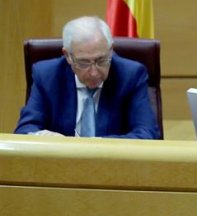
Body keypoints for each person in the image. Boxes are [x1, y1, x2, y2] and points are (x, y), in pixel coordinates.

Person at [15, 16, 160, 139]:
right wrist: (44, 138)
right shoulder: (47, 75)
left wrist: (89, 148)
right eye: (84, 63)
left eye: (101, 60)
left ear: (110, 50)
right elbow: (25, 130)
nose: (94, 72)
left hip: (112, 166)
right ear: (67, 56)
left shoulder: (131, 75)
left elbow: (147, 134)